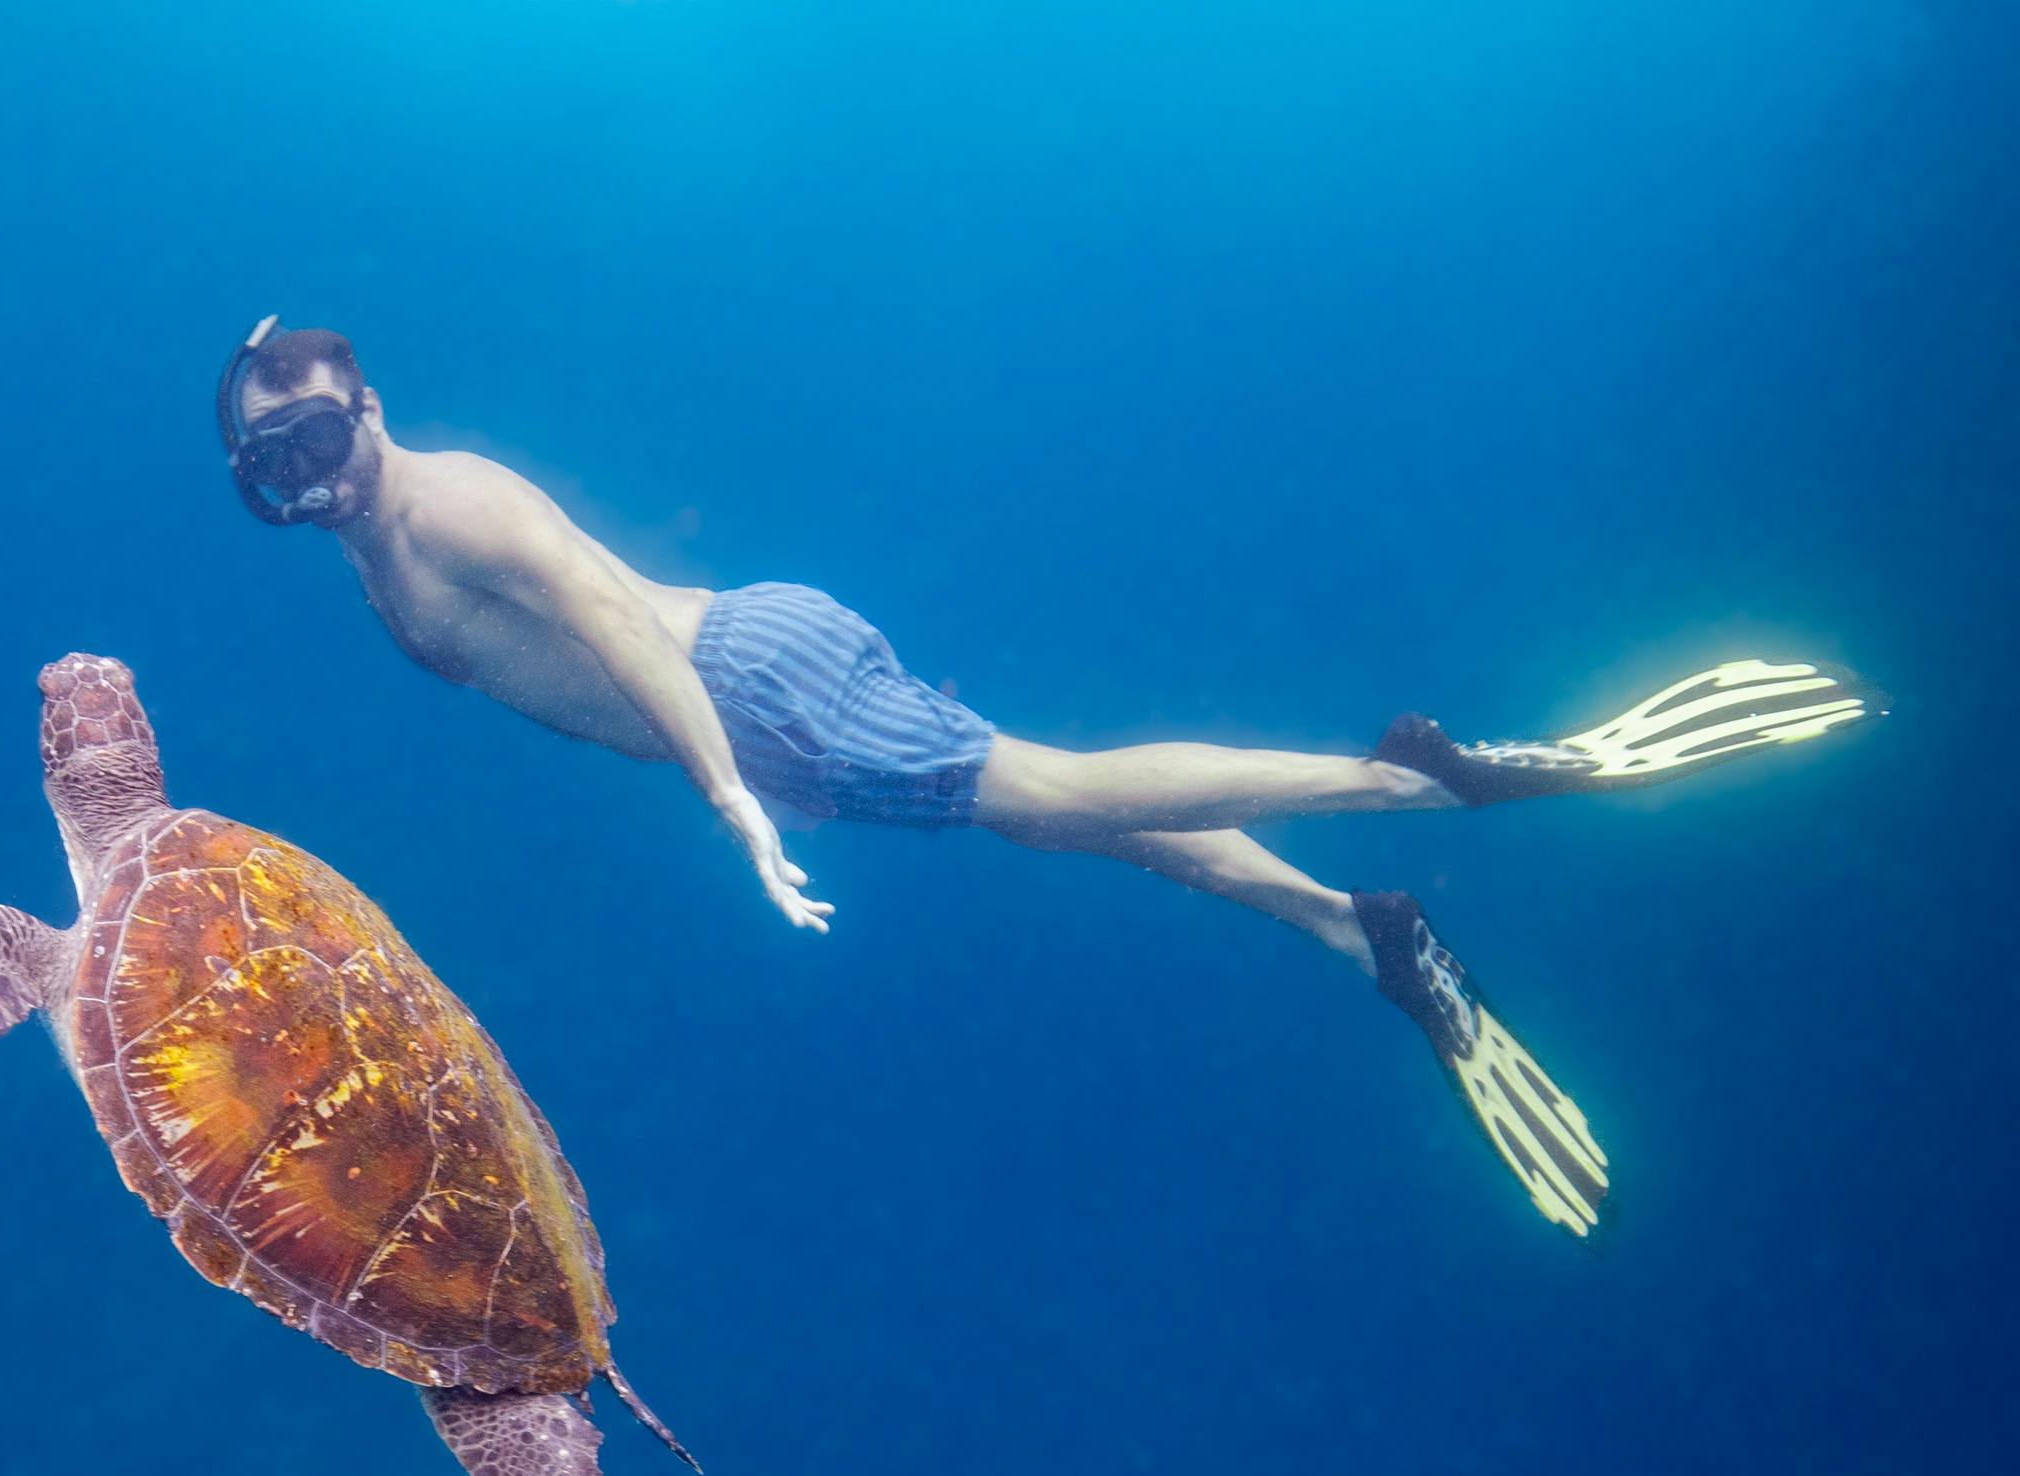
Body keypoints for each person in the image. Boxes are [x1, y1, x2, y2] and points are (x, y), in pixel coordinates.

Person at [213, 315, 1877, 1235]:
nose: (313, 477)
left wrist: (728, 796)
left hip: (749, 698)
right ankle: (1361, 929)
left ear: (374, 408)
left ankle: (1417, 782)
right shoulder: (377, 547)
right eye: (272, 466)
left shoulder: (451, 504)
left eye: (325, 438)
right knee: (1093, 823)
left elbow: (603, 612)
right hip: (769, 687)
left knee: (1061, 794)